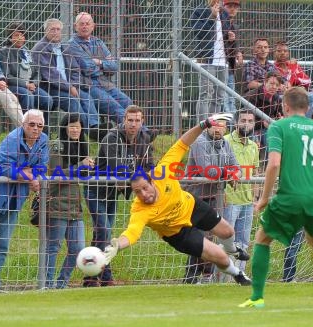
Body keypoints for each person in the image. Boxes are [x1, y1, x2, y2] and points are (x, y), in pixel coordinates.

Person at [239, 87, 313, 308]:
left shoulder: (279, 127)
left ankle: (257, 297)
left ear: (285, 106)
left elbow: (274, 164)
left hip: (291, 196)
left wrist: (265, 198)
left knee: (262, 238)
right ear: (308, 107)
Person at [102, 113, 251, 286]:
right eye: (137, 192)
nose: (143, 194)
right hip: (178, 234)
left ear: (152, 181)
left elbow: (182, 144)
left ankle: (233, 249)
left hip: (191, 206)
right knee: (220, 258)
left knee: (228, 232)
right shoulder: (139, 209)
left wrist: (203, 124)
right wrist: (117, 245)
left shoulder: (161, 171)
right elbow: (132, 233)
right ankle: (238, 274)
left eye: (144, 188)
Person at [0, 109, 48, 293]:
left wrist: (31, 174)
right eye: (31, 124)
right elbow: (5, 168)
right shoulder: (12, 140)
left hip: (16, 197)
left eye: (40, 125)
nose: (36, 129)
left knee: (3, 243)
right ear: (23, 125)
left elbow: (42, 165)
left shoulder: (44, 140)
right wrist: (29, 176)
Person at [83, 105, 154, 287]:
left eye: (137, 120)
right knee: (104, 232)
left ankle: (94, 277)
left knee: (101, 234)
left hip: (112, 193)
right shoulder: (112, 138)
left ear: (142, 121)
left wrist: (145, 175)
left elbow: (149, 167)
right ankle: (100, 278)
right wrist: (139, 174)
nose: (133, 124)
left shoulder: (144, 139)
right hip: (95, 189)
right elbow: (117, 169)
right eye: (130, 120)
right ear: (124, 120)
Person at [183, 113, 248, 284]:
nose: (218, 128)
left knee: (212, 237)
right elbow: (208, 172)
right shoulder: (199, 142)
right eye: (214, 125)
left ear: (226, 128)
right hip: (195, 197)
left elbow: (238, 168)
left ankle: (205, 276)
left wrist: (235, 173)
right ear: (208, 126)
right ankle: (191, 277)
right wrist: (229, 174)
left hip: (215, 196)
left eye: (222, 125)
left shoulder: (225, 144)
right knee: (200, 238)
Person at [31, 18, 103, 141]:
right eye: (52, 29)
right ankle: (86, 132)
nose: (56, 32)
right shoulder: (40, 48)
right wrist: (69, 88)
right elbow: (51, 75)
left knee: (86, 97)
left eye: (58, 29)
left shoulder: (65, 47)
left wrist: (73, 85)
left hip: (70, 86)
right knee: (73, 102)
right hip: (50, 87)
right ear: (45, 31)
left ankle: (95, 127)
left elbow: (75, 69)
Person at [45, 113, 92, 289]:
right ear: (64, 128)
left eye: (78, 126)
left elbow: (80, 176)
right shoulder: (57, 146)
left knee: (78, 249)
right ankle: (46, 284)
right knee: (53, 248)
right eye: (71, 126)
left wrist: (89, 169)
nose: (74, 129)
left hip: (75, 206)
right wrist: (80, 167)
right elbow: (56, 176)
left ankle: (61, 283)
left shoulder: (81, 146)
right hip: (58, 204)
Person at [67, 12, 133, 125]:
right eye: (81, 24)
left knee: (127, 102)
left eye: (87, 24)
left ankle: (129, 134)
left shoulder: (98, 42)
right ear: (75, 26)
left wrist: (99, 62)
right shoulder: (72, 44)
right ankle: (139, 133)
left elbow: (114, 66)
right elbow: (87, 68)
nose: (84, 26)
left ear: (93, 26)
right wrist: (104, 66)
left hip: (105, 83)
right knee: (115, 107)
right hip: (88, 85)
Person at [223, 109, 259, 274]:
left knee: (243, 241)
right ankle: (223, 278)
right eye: (243, 120)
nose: (246, 124)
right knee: (227, 241)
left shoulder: (254, 146)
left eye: (250, 121)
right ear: (236, 122)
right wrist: (222, 194)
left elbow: (255, 173)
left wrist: (256, 197)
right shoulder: (225, 141)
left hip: (247, 201)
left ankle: (240, 275)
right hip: (229, 200)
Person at [0, 22, 53, 129]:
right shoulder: (4, 52)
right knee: (28, 96)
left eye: (22, 35)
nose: (20, 38)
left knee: (47, 100)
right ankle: (25, 129)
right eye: (16, 35)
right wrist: (26, 84)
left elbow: (37, 73)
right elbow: (7, 76)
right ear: (10, 38)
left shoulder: (27, 52)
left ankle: (43, 133)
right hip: (13, 86)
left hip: (30, 86)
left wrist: (34, 83)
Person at [190, 0, 230, 119]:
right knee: (205, 95)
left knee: (219, 97)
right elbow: (199, 32)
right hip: (206, 59)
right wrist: (212, 17)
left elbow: (226, 35)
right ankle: (202, 128)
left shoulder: (224, 14)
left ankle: (214, 127)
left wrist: (231, 37)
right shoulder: (199, 11)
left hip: (223, 61)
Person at [245, 71, 283, 149]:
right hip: (253, 130)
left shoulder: (276, 98)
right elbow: (245, 123)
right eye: (272, 83)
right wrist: (263, 124)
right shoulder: (251, 96)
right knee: (272, 138)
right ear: (265, 82)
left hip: (269, 127)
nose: (274, 87)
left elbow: (279, 114)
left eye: (277, 85)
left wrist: (281, 118)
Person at [221, 0, 243, 114]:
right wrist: (227, 39)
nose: (233, 9)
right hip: (219, 67)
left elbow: (235, 46)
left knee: (231, 99)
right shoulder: (218, 22)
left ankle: (233, 125)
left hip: (230, 68)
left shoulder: (235, 26)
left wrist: (238, 52)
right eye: (230, 6)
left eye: (235, 6)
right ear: (223, 6)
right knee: (223, 100)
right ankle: (228, 125)